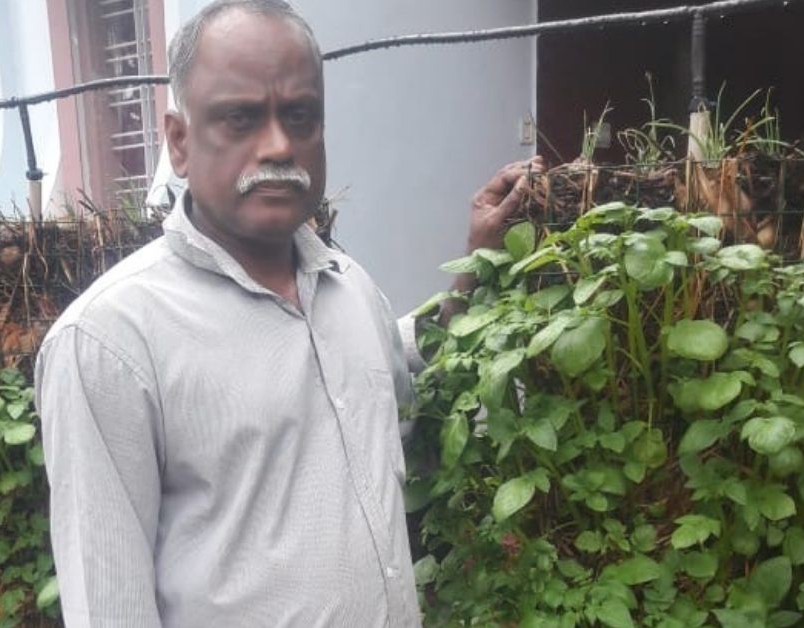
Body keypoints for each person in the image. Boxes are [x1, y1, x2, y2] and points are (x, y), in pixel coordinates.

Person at [34, 1, 543, 625]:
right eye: (240, 118)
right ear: (180, 141)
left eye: (300, 116)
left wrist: (476, 264)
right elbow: (109, 608)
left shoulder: (347, 286)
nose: (278, 145)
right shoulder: (110, 342)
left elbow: (398, 377)